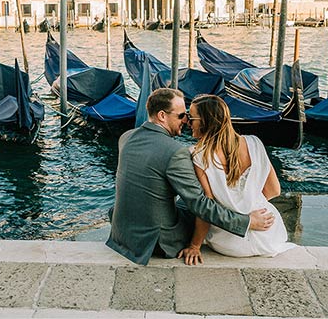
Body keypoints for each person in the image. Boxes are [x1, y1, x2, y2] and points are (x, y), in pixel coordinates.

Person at [106, 88, 275, 265]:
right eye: (181, 116)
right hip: (157, 241)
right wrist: (246, 222)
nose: (186, 121)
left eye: (188, 116)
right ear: (162, 116)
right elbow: (200, 205)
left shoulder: (125, 138)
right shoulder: (175, 152)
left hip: (122, 232)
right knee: (203, 199)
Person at [179, 95, 296, 265]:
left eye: (191, 118)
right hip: (269, 234)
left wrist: (195, 246)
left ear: (205, 121)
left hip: (230, 241)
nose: (188, 123)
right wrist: (247, 205)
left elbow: (206, 208)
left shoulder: (198, 156)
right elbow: (274, 190)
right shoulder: (255, 143)